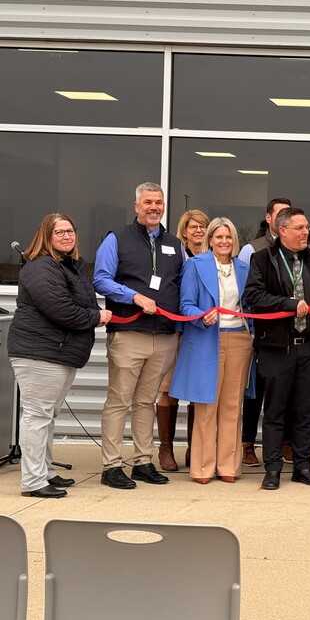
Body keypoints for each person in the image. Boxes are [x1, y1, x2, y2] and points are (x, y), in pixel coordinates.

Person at [9, 213, 112, 498]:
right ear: (46, 236)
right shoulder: (41, 267)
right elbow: (60, 309)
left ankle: (45, 471)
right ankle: (32, 481)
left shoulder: (67, 266)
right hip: (39, 351)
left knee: (48, 415)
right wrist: (96, 316)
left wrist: (93, 315)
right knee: (37, 415)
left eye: (70, 231)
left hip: (58, 351)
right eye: (59, 232)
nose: (67, 236)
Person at [94, 182, 183, 489]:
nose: (153, 207)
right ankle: (111, 466)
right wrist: (133, 296)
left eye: (158, 202)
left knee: (146, 401)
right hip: (129, 332)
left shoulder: (175, 244)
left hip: (165, 335)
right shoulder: (116, 239)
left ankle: (143, 461)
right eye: (147, 202)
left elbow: (180, 285)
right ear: (136, 206)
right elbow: (101, 280)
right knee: (119, 400)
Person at [243, 206, 310, 490]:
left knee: (306, 411)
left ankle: (303, 467)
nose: (307, 232)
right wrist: (289, 304)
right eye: (300, 228)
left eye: (307, 227)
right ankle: (272, 469)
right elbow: (254, 297)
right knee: (275, 411)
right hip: (277, 348)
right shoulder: (262, 259)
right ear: (282, 230)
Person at [169, 218, 254, 484]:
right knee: (206, 406)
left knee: (232, 407)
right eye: (219, 237)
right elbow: (185, 304)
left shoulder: (243, 267)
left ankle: (229, 466)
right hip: (208, 339)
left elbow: (249, 306)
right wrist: (201, 315)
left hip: (239, 340)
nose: (224, 242)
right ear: (210, 240)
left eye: (228, 237)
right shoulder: (196, 265)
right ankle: (202, 469)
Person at [156, 208, 210, 472]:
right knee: (168, 390)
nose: (198, 231)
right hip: (176, 330)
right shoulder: (176, 254)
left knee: (196, 391)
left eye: (202, 226)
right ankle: (165, 448)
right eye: (193, 227)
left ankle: (194, 447)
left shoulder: (215, 257)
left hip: (203, 333)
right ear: (184, 232)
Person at [238, 197, 291, 467]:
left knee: (283, 390)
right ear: (269, 218)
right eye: (279, 214)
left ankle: (283, 442)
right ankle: (248, 443)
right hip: (259, 332)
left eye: (288, 214)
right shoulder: (252, 249)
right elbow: (247, 293)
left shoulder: (296, 249)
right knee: (254, 391)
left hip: (288, 334)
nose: (284, 219)